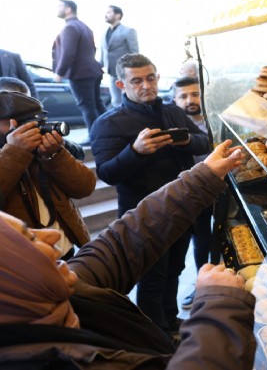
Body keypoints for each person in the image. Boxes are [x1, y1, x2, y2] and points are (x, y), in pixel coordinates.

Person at [0, 142, 256, 369]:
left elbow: (124, 241)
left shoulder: (60, 294)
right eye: (28, 238)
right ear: (0, 276)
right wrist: (218, 308)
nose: (52, 236)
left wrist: (203, 178)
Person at [90, 53, 210, 336]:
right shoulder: (108, 123)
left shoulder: (173, 111)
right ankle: (155, 336)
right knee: (152, 278)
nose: (146, 85)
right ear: (121, 85)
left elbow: (205, 141)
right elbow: (107, 173)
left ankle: (170, 321)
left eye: (150, 78)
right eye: (136, 80)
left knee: (175, 270)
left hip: (182, 206)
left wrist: (187, 141)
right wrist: (135, 152)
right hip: (143, 214)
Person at [0, 91, 95, 259]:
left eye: (36, 122)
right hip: (20, 262)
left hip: (66, 250)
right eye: (22, 124)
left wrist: (54, 155)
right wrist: (15, 153)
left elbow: (84, 188)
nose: (32, 129)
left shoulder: (41, 143)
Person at [172, 76, 218, 309]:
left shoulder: (217, 121)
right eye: (183, 96)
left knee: (222, 236)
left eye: (195, 94)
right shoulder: (172, 128)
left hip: (223, 189)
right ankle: (201, 286)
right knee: (200, 240)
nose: (190, 100)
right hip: (194, 192)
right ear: (174, 100)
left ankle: (221, 283)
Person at [0, 76, 85, 160]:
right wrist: (13, 151)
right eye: (15, 112)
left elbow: (79, 154)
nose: (23, 118)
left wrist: (57, 148)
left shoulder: (33, 123)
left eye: (27, 106)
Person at [52, 0, 105, 142]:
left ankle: (95, 137)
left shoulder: (70, 27)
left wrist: (59, 72)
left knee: (87, 106)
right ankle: (107, 131)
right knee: (96, 105)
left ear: (68, 9)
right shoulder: (84, 26)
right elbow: (92, 49)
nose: (56, 9)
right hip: (92, 70)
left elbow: (68, 53)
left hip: (80, 74)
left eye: (59, 6)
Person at [99, 5, 139, 108]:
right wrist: (99, 66)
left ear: (118, 15)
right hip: (111, 73)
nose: (105, 15)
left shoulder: (128, 31)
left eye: (109, 12)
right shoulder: (104, 32)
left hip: (126, 73)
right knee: (116, 102)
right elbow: (103, 53)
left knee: (129, 101)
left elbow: (135, 53)